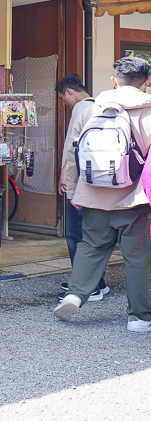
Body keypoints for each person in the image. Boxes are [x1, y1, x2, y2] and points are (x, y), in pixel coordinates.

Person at [55, 57, 151, 332]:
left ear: (114, 81)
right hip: (134, 198)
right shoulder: (147, 110)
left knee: (91, 246)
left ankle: (75, 294)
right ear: (146, 81)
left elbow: (74, 151)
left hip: (94, 192)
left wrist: (74, 190)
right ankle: (139, 318)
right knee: (137, 257)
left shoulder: (92, 108)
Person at [55, 73, 108, 301]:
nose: (64, 104)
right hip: (100, 183)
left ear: (69, 91)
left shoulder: (80, 109)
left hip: (81, 184)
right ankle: (98, 282)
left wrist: (65, 178)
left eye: (62, 98)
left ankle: (86, 286)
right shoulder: (101, 106)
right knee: (93, 234)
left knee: (76, 234)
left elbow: (72, 149)